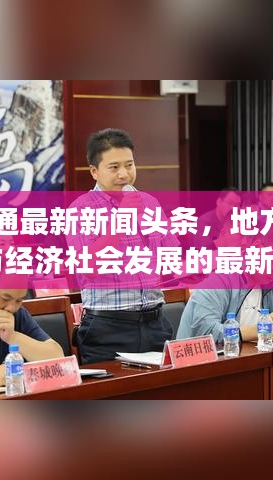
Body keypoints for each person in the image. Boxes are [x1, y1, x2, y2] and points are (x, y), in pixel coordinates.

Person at [66, 128, 177, 364]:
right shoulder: (81, 209)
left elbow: (172, 258)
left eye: (129, 165)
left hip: (155, 323)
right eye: (114, 167)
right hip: (108, 328)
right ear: (94, 171)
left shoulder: (150, 202)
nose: (124, 174)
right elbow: (88, 268)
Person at [176, 272, 273, 344]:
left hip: (246, 357)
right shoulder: (218, 279)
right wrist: (249, 332)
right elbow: (205, 332)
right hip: (198, 365)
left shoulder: (271, 279)